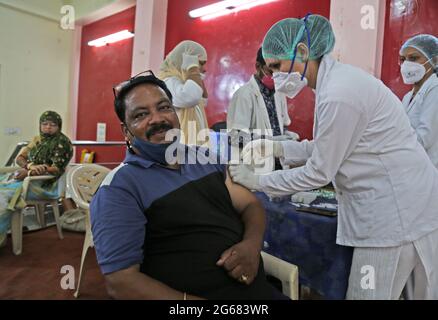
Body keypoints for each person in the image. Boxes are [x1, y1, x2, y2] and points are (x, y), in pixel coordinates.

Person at [229, 14, 438, 300]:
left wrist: (258, 180)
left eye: (277, 66)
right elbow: (331, 146)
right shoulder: (336, 83)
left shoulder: (339, 93)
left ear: (302, 52)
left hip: (392, 214)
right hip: (412, 205)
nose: (275, 76)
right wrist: (278, 147)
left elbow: (319, 171)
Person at [90, 71, 287, 300]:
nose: (157, 119)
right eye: (141, 114)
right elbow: (121, 283)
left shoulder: (206, 159)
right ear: (127, 132)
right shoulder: (119, 189)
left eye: (164, 107)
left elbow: (251, 205)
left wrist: (251, 246)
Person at [0, 111, 73, 247]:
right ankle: (3, 234)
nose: (48, 127)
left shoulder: (63, 143)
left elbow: (57, 168)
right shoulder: (37, 140)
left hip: (46, 184)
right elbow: (19, 158)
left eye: (52, 125)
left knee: (4, 195)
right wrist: (30, 166)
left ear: (59, 126)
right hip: (30, 178)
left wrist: (35, 171)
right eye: (44, 124)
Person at [227, 47, 299, 171]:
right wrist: (271, 140)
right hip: (255, 168)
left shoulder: (279, 93)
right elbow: (235, 137)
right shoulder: (244, 95)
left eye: (279, 72)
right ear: (258, 66)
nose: (275, 76)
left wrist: (288, 137)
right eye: (270, 71)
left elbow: (282, 125)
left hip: (279, 165)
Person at [159, 40, 209, 146]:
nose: (204, 69)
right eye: (200, 63)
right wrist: (192, 68)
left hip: (194, 148)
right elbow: (191, 97)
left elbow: (203, 100)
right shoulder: (168, 82)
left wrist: (195, 73)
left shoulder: (185, 83)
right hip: (181, 149)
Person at [399, 34, 438, 168]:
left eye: (413, 58)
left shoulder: (435, 89)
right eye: (403, 59)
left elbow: (424, 137)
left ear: (435, 60)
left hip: (429, 169)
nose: (406, 64)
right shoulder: (408, 96)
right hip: (411, 167)